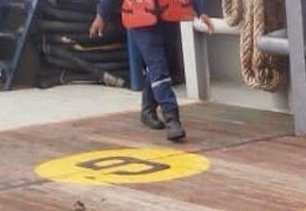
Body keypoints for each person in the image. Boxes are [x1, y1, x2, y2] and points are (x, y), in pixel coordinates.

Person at [90, 0, 215, 141]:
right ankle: (172, 118)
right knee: (158, 66)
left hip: (168, 15)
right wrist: (101, 14)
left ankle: (148, 109)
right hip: (140, 19)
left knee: (161, 64)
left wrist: (201, 10)